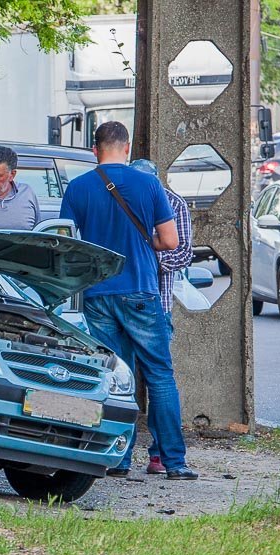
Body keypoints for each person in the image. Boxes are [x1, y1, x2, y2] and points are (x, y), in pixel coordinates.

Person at [59, 121, 198, 480]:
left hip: (97, 294)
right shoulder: (149, 184)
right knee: (159, 375)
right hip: (140, 290)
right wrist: (142, 243)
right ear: (127, 148)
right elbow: (170, 241)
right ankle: (174, 462)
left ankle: (116, 459)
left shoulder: (76, 188)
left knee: (113, 377)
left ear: (95, 150)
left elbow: (67, 245)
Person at [129, 158, 194, 475]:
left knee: (159, 380)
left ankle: (162, 456)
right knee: (121, 379)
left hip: (157, 303)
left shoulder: (174, 203)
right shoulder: (121, 198)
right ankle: (120, 455)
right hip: (120, 299)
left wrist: (145, 255)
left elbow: (182, 253)